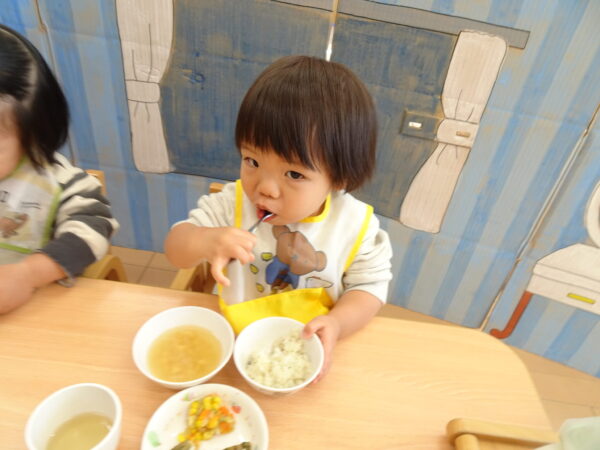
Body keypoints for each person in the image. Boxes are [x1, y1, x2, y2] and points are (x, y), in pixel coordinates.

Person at [165, 55, 392, 380]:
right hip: (232, 344)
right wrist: (205, 240)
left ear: (338, 178)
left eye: (294, 174)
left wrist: (337, 323)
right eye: (252, 161)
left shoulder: (355, 225)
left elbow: (369, 288)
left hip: (308, 351)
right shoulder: (232, 204)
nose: (265, 188)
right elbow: (175, 249)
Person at [0, 24, 119, 313]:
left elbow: (94, 228)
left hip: (36, 308)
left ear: (31, 132)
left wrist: (29, 273)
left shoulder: (58, 181)